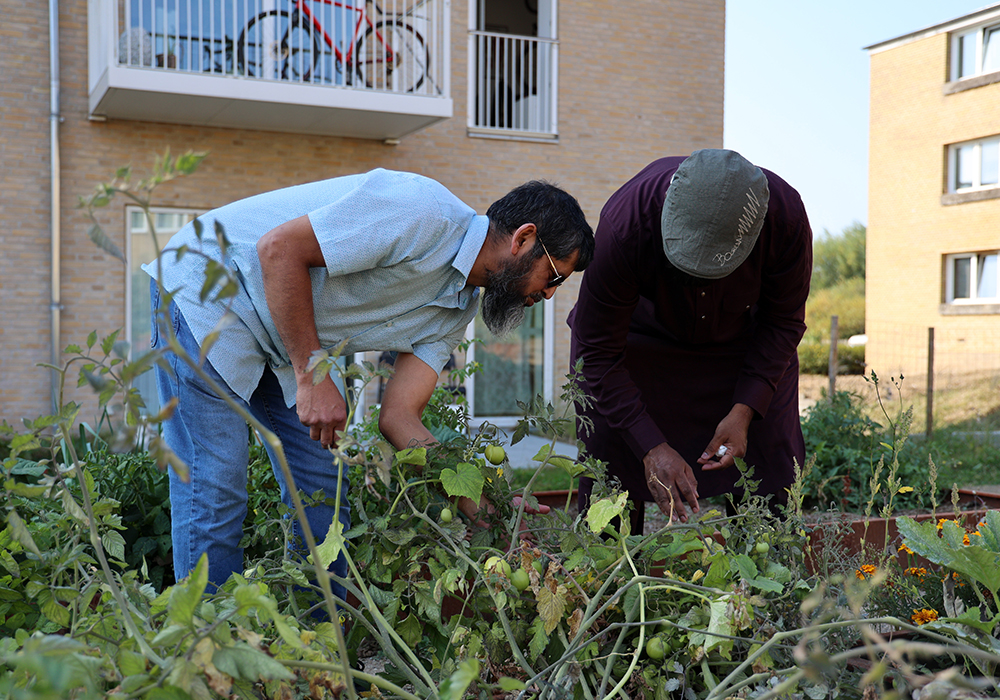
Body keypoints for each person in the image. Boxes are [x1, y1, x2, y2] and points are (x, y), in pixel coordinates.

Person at [144, 168, 594, 591]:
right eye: (554, 275)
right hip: (208, 288)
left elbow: (399, 417)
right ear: (523, 239)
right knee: (216, 486)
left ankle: (321, 654)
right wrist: (313, 373)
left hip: (276, 330)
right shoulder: (422, 213)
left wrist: (487, 507)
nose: (551, 295)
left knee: (323, 486)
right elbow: (277, 249)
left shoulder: (457, 308)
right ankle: (204, 655)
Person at [568, 149, 812, 532]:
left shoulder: (785, 216)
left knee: (772, 457)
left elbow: (782, 322)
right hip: (641, 345)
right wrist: (650, 445)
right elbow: (596, 350)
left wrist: (745, 409)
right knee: (609, 453)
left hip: (742, 346)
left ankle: (772, 579)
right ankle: (607, 575)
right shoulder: (627, 221)